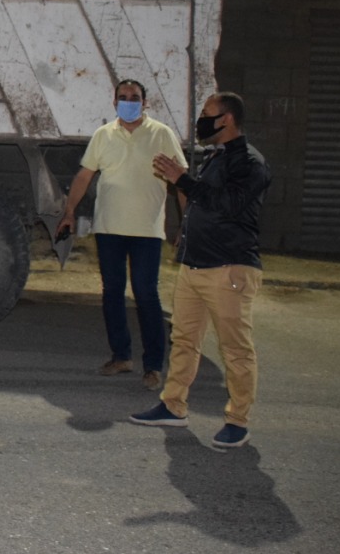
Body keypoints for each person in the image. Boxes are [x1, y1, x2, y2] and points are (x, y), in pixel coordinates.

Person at [130, 91, 272, 449]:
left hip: (229, 269)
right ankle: (173, 405)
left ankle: (237, 421)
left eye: (207, 114)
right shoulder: (216, 157)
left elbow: (230, 205)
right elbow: (202, 204)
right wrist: (186, 233)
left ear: (226, 120)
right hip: (194, 267)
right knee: (184, 341)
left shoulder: (249, 162)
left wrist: (183, 179)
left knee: (235, 349)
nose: (201, 120)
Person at [58, 79, 187, 391]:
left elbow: (181, 180)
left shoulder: (162, 134)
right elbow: (84, 175)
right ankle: (121, 357)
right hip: (109, 229)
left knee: (146, 295)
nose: (129, 101)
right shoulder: (104, 135)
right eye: (123, 97)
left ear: (145, 102)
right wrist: (69, 211)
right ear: (114, 102)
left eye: (135, 97)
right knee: (112, 293)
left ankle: (154, 366)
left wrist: (187, 225)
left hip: (147, 231)